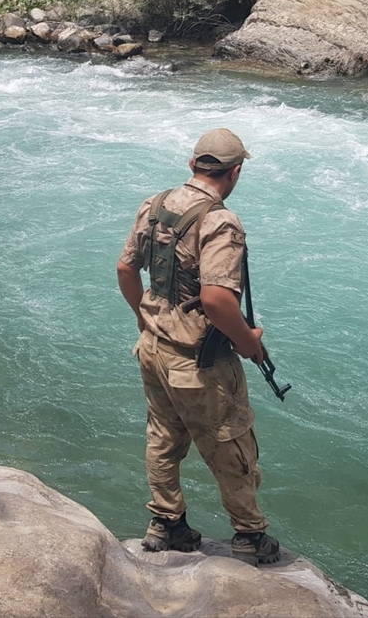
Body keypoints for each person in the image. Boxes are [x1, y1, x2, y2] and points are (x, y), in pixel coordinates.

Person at [116, 128, 281, 565]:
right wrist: (249, 344)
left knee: (164, 437)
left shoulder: (155, 205)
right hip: (197, 362)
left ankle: (167, 524)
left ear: (193, 165)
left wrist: (143, 316)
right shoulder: (220, 221)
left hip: (152, 348)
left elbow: (125, 269)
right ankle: (249, 535)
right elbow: (216, 299)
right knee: (232, 445)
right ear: (236, 172)